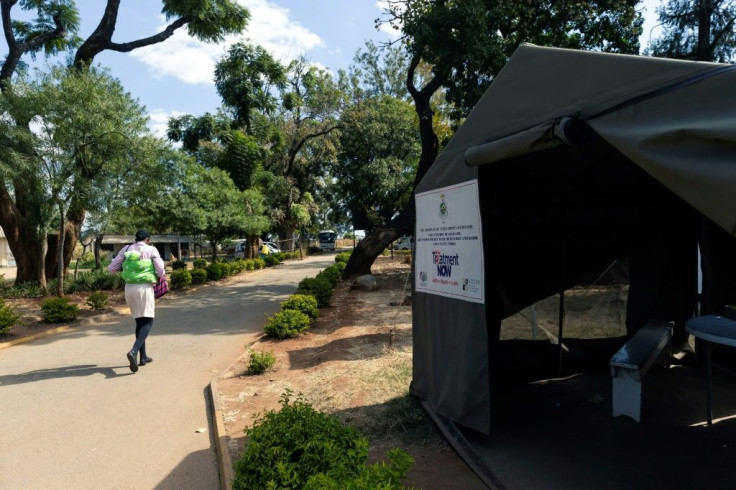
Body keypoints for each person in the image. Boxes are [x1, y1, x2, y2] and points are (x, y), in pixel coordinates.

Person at [108, 229, 166, 373]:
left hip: (129, 288)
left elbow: (112, 268)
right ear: (147, 239)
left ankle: (143, 357)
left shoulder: (126, 249)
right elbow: (160, 270)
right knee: (148, 321)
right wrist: (158, 273)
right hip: (144, 288)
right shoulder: (151, 249)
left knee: (139, 321)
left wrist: (129, 268)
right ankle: (133, 352)